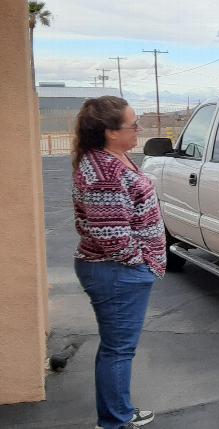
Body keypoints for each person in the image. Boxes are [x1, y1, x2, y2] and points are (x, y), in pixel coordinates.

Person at [72, 96, 164, 428]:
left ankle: (118, 410)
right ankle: (113, 421)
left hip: (119, 271)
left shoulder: (115, 157)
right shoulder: (104, 171)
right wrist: (142, 263)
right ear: (111, 132)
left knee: (116, 349)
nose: (139, 128)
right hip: (117, 272)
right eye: (133, 124)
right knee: (118, 351)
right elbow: (111, 236)